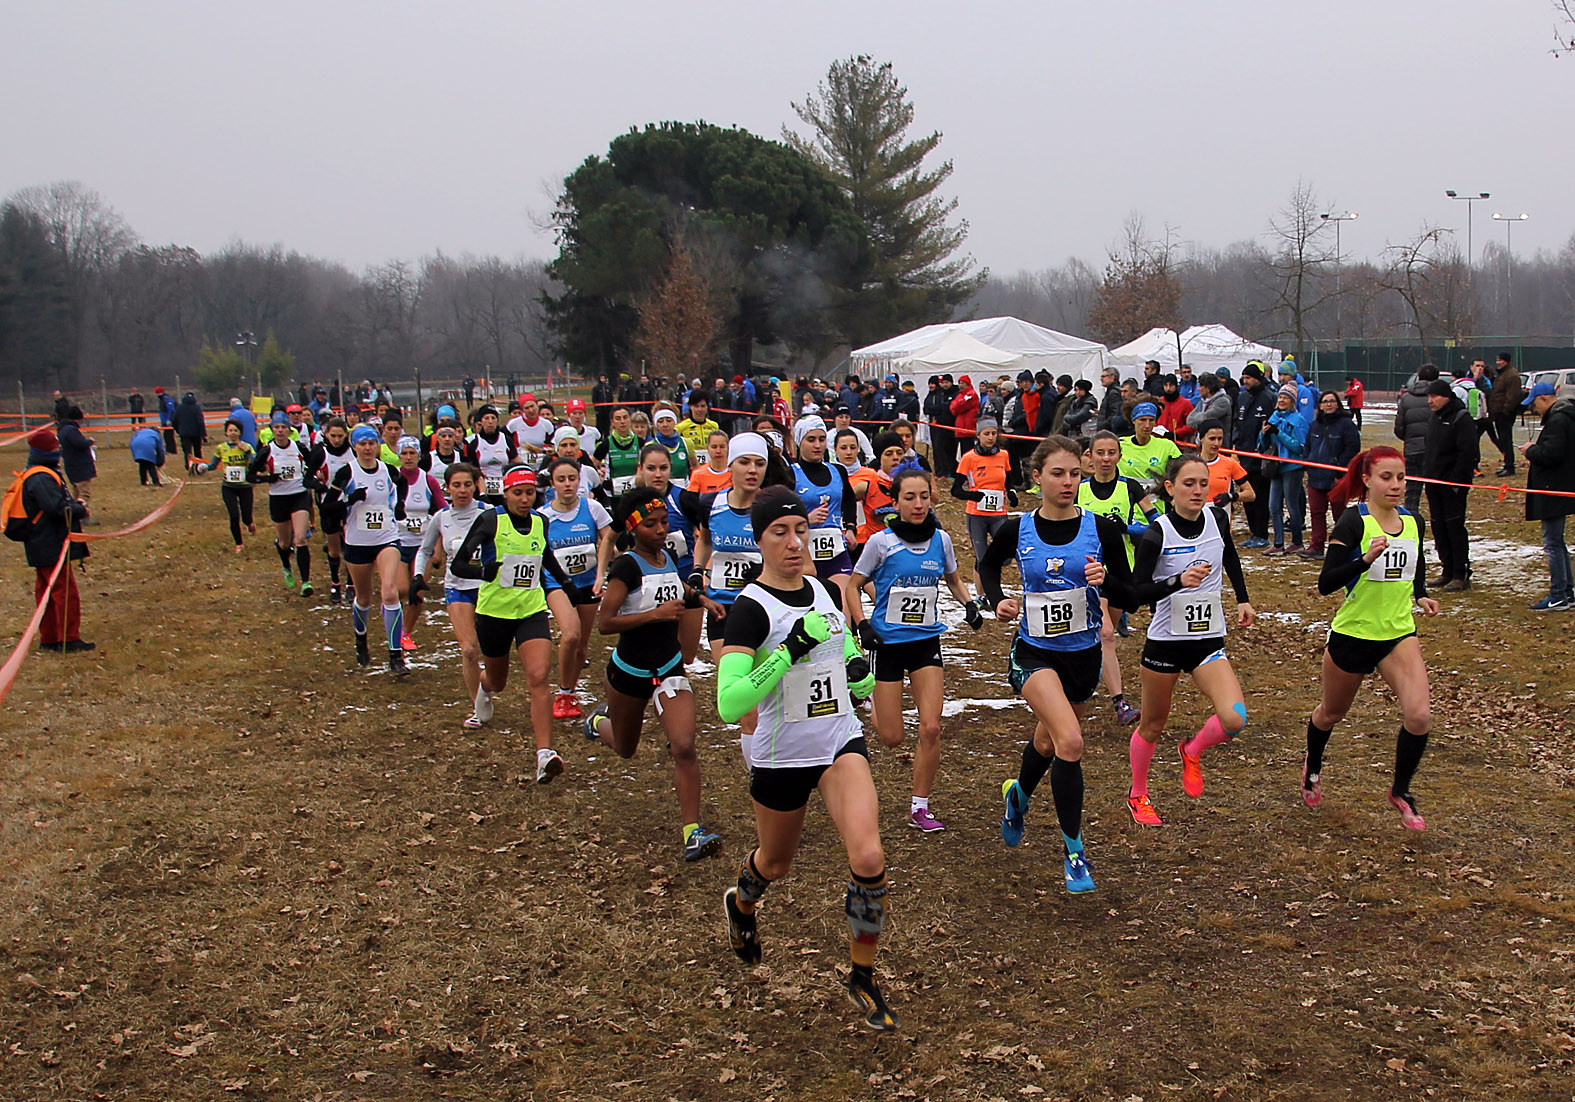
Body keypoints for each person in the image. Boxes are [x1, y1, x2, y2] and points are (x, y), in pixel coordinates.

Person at [714, 486, 890, 1030]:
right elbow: (729, 702)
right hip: (780, 756)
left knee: (867, 857)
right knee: (776, 863)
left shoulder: (820, 590)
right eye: (779, 533)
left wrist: (858, 666)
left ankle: (862, 976)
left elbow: (842, 650)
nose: (795, 543)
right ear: (759, 539)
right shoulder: (749, 609)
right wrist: (789, 648)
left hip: (839, 740)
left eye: (801, 530)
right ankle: (742, 905)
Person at [978, 435, 1135, 894]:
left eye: (1075, 474)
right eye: (1058, 473)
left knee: (1047, 742)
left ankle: (1018, 797)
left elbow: (1130, 594)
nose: (1068, 482)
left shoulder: (1101, 529)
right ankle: (1074, 852)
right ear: (1037, 476)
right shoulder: (1017, 528)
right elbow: (987, 567)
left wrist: (1108, 580)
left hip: (1083, 656)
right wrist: (998, 601)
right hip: (1034, 653)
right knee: (1070, 741)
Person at [585, 486, 725, 861]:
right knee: (627, 749)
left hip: (669, 667)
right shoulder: (626, 565)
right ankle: (599, 722)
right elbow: (606, 623)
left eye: (664, 521)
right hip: (629, 671)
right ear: (633, 528)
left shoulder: (666, 557)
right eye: (651, 524)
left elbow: (675, 590)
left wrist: (702, 600)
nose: (661, 529)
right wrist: (655, 616)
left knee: (683, 746)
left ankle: (692, 831)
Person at [1303, 447, 1437, 830]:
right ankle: (1313, 765)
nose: (1396, 486)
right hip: (1353, 634)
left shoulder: (1414, 521)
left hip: (1397, 634)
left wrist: (1422, 594)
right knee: (1331, 714)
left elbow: (1416, 565)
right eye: (1386, 478)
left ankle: (1401, 791)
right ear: (1367, 480)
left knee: (1419, 716)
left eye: (1401, 478)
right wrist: (1364, 560)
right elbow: (1326, 583)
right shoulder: (1353, 523)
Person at [848, 467, 982, 832]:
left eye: (924, 496)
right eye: (909, 497)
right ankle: (870, 699)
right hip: (886, 645)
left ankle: (919, 806)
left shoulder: (941, 540)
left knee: (931, 727)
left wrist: (968, 604)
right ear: (895, 502)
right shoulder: (880, 543)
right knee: (891, 737)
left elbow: (952, 577)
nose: (918, 504)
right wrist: (862, 625)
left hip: (926, 643)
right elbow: (853, 585)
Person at [1125, 456, 1255, 826]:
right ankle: (1138, 794)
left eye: (1203, 483)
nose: (1198, 491)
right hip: (1165, 642)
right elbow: (1136, 593)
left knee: (1234, 718)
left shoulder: (1217, 518)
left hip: (1207, 640)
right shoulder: (1157, 534)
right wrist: (1176, 582)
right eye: (1189, 484)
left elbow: (1228, 554)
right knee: (1152, 724)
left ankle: (1192, 750)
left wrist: (1242, 598)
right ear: (1170, 488)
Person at [1077, 430, 1159, 725]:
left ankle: (1084, 675)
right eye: (1100, 452)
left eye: (1112, 452)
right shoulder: (1079, 489)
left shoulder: (1130, 487)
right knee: (1106, 634)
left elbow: (1156, 525)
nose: (1106, 458)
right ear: (1090, 456)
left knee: (1100, 635)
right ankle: (1120, 702)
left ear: (1119, 457)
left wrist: (1127, 527)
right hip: (1087, 572)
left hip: (1121, 572)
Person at [322, 425, 407, 672]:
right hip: (358, 542)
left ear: (377, 445)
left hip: (386, 539)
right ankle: (361, 638)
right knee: (364, 597)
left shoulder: (387, 470)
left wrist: (399, 505)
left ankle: (395, 655)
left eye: (372, 443)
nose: (368, 448)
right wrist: (350, 500)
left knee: (390, 593)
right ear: (354, 447)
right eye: (363, 444)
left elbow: (400, 484)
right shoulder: (346, 473)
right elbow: (327, 508)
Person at [539, 457, 614, 718]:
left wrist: (602, 573)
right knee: (570, 634)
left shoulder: (592, 509)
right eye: (561, 479)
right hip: (557, 584)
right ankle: (561, 693)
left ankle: (569, 693)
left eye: (572, 478)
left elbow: (608, 538)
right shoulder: (544, 516)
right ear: (552, 484)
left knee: (581, 647)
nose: (568, 484)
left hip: (587, 583)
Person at [690, 433, 771, 673]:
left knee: (763, 690)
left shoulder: (772, 506)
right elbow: (704, 540)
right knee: (733, 684)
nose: (752, 470)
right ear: (730, 465)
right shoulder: (710, 504)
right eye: (744, 462)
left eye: (759, 463)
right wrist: (697, 569)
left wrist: (765, 570)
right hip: (722, 606)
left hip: (762, 607)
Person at [413, 463, 487, 724]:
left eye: (468, 484)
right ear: (447, 488)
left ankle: (487, 688)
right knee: (468, 649)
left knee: (492, 652)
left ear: (476, 485)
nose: (463, 490)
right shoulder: (441, 517)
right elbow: (424, 550)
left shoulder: (490, 513)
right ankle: (478, 707)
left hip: (489, 588)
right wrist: (417, 577)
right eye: (456, 485)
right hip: (457, 588)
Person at [14, 429, 92, 652]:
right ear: (45, 450)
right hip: (48, 542)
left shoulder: (40, 473)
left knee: (47, 591)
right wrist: (78, 509)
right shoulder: (41, 477)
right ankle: (68, 638)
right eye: (54, 447)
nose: (58, 451)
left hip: (43, 541)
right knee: (64, 591)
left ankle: (50, 637)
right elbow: (56, 507)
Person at [1519, 382, 1575, 610]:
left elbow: (1552, 454)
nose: (1533, 408)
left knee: (1552, 542)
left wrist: (1531, 450)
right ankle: (1567, 592)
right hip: (1560, 486)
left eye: (1534, 403)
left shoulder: (1558, 420)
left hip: (1553, 488)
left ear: (1543, 399)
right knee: (1557, 542)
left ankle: (1559, 594)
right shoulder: (1564, 417)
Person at [790, 416, 859, 599]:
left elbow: (849, 500)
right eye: (811, 440)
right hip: (804, 553)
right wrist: (805, 519)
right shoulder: (791, 473)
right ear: (800, 442)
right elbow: (781, 512)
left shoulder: (838, 471)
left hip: (836, 551)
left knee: (843, 605)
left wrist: (851, 527)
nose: (817, 445)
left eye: (821, 439)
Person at [252, 411, 318, 595]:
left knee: (301, 538)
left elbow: (313, 463)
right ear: (272, 430)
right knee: (284, 542)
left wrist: (309, 478)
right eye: (276, 428)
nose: (280, 431)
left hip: (298, 495)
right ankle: (286, 566)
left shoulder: (298, 447)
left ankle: (306, 582)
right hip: (278, 498)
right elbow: (251, 475)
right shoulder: (266, 451)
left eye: (283, 427)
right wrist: (267, 478)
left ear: (289, 430)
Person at [1422, 378, 1478, 591]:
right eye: (1428, 396)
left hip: (1453, 485)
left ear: (1446, 396)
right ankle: (1447, 569)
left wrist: (1455, 480)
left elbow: (1468, 453)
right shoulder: (1435, 418)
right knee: (1439, 526)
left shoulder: (1461, 418)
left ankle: (1460, 573)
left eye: (1434, 396)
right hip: (1433, 482)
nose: (1430, 401)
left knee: (1454, 526)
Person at [952, 418, 1020, 592]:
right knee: (982, 558)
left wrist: (1011, 493)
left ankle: (988, 591)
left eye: (994, 433)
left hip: (998, 513)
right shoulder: (969, 458)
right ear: (978, 435)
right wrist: (973, 496)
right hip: (976, 515)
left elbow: (1009, 481)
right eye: (986, 433)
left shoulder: (1003, 455)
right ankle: (983, 595)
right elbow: (955, 490)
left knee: (1004, 556)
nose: (990, 437)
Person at [396, 437, 448, 650]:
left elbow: (443, 512)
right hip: (398, 542)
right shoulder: (392, 479)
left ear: (419, 456)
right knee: (399, 589)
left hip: (422, 545)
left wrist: (438, 547)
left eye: (412, 453)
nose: (408, 457)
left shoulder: (428, 481)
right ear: (399, 456)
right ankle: (392, 620)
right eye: (405, 453)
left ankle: (405, 633)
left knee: (416, 592)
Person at [1303, 390, 1364, 560]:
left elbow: (1352, 448)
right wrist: (1308, 461)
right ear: (1320, 406)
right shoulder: (1315, 425)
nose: (1328, 404)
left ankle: (1344, 546)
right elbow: (1308, 445)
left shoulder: (1346, 424)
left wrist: (1339, 468)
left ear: (1337, 403)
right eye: (1325, 401)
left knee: (1340, 515)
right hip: (1315, 477)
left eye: (1332, 401)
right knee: (1316, 513)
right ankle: (1317, 545)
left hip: (1336, 478)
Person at [1260, 385, 1309, 555]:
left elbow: (1298, 447)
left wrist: (1279, 433)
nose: (1281, 400)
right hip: (1275, 467)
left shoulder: (1298, 420)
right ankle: (1278, 543)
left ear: (1292, 402)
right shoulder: (1273, 417)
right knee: (1273, 505)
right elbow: (1264, 446)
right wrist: (1264, 434)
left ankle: (1297, 541)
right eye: (1280, 397)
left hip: (1292, 467)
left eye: (1286, 398)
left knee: (1291, 505)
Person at [193, 420, 255, 552]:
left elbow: (256, 463)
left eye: (236, 431)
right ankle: (239, 543)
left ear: (240, 433)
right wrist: (204, 468)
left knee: (246, 516)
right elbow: (213, 465)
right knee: (233, 515)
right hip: (228, 487)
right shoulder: (221, 448)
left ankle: (249, 524)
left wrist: (249, 452)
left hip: (245, 487)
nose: (233, 433)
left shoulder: (246, 446)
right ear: (226, 432)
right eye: (230, 430)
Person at [1234, 362, 1277, 548]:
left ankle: (1262, 533)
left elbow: (1273, 424)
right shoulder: (1242, 397)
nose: (1246, 381)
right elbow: (1238, 421)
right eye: (1244, 378)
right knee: (1247, 496)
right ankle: (1253, 532)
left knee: (1260, 496)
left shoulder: (1268, 398)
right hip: (1244, 455)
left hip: (1260, 457)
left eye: (1249, 378)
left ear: (1258, 379)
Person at [1393, 365, 1437, 514]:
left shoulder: (1406, 398)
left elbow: (1399, 427)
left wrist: (1409, 439)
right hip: (1435, 450)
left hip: (1412, 449)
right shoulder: (1441, 398)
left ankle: (1411, 518)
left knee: (1412, 490)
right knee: (1435, 488)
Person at [1117, 401, 1182, 500]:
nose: (1147, 425)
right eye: (1142, 420)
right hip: (1128, 507)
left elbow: (1181, 472)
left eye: (1151, 420)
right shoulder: (1120, 445)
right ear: (1133, 421)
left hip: (1157, 508)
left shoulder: (1167, 446)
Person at [1196, 422, 1253, 514]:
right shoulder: (1190, 464)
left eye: (1220, 439)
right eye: (1212, 439)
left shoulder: (1230, 463)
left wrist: (1231, 496)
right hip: (1195, 518)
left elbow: (1250, 494)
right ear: (1201, 438)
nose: (1216, 443)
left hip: (1220, 520)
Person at [464, 405, 517, 501]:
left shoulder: (506, 440)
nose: (490, 421)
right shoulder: (475, 443)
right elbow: (471, 467)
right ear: (481, 421)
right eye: (486, 418)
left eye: (493, 418)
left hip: (504, 485)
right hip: (483, 486)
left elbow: (515, 460)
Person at [56, 407, 97, 522]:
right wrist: (90, 441)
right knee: (84, 492)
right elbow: (80, 444)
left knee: (76, 492)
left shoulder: (63, 430)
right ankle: (82, 516)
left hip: (71, 465)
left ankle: (75, 515)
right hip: (80, 466)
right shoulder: (71, 430)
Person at [595, 406, 643, 503]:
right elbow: (592, 465)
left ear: (630, 419)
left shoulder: (641, 443)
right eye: (618, 418)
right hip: (613, 496)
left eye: (625, 417)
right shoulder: (606, 444)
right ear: (612, 422)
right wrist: (601, 478)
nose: (622, 421)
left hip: (636, 495)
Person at [1488, 351, 1523, 476]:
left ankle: (1509, 466)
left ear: (1506, 361)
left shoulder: (1512, 375)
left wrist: (1505, 410)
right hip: (1499, 412)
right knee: (1503, 439)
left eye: (1500, 360)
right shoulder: (1503, 374)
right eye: (1497, 360)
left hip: (1505, 413)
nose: (1498, 362)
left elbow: (1513, 396)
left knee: (1506, 439)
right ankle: (1507, 464)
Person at [172, 391, 207, 468]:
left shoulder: (179, 408)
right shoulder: (197, 407)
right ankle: (199, 467)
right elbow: (200, 422)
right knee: (198, 451)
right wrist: (204, 434)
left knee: (187, 452)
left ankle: (189, 466)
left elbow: (174, 421)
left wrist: (179, 430)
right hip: (196, 434)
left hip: (184, 434)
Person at [1156, 375, 1195, 439]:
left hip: (1178, 442)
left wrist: (1176, 433)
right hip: (1159, 440)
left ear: (1176, 386)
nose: (1168, 388)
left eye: (1171, 385)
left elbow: (1192, 425)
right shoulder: (1158, 402)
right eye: (1166, 385)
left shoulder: (1186, 404)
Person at [156, 386, 178, 452]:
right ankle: (169, 449)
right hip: (164, 421)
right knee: (166, 436)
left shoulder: (167, 399)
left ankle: (172, 450)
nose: (157, 394)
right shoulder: (161, 400)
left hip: (168, 421)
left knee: (169, 436)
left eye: (158, 392)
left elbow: (171, 410)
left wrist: (168, 419)